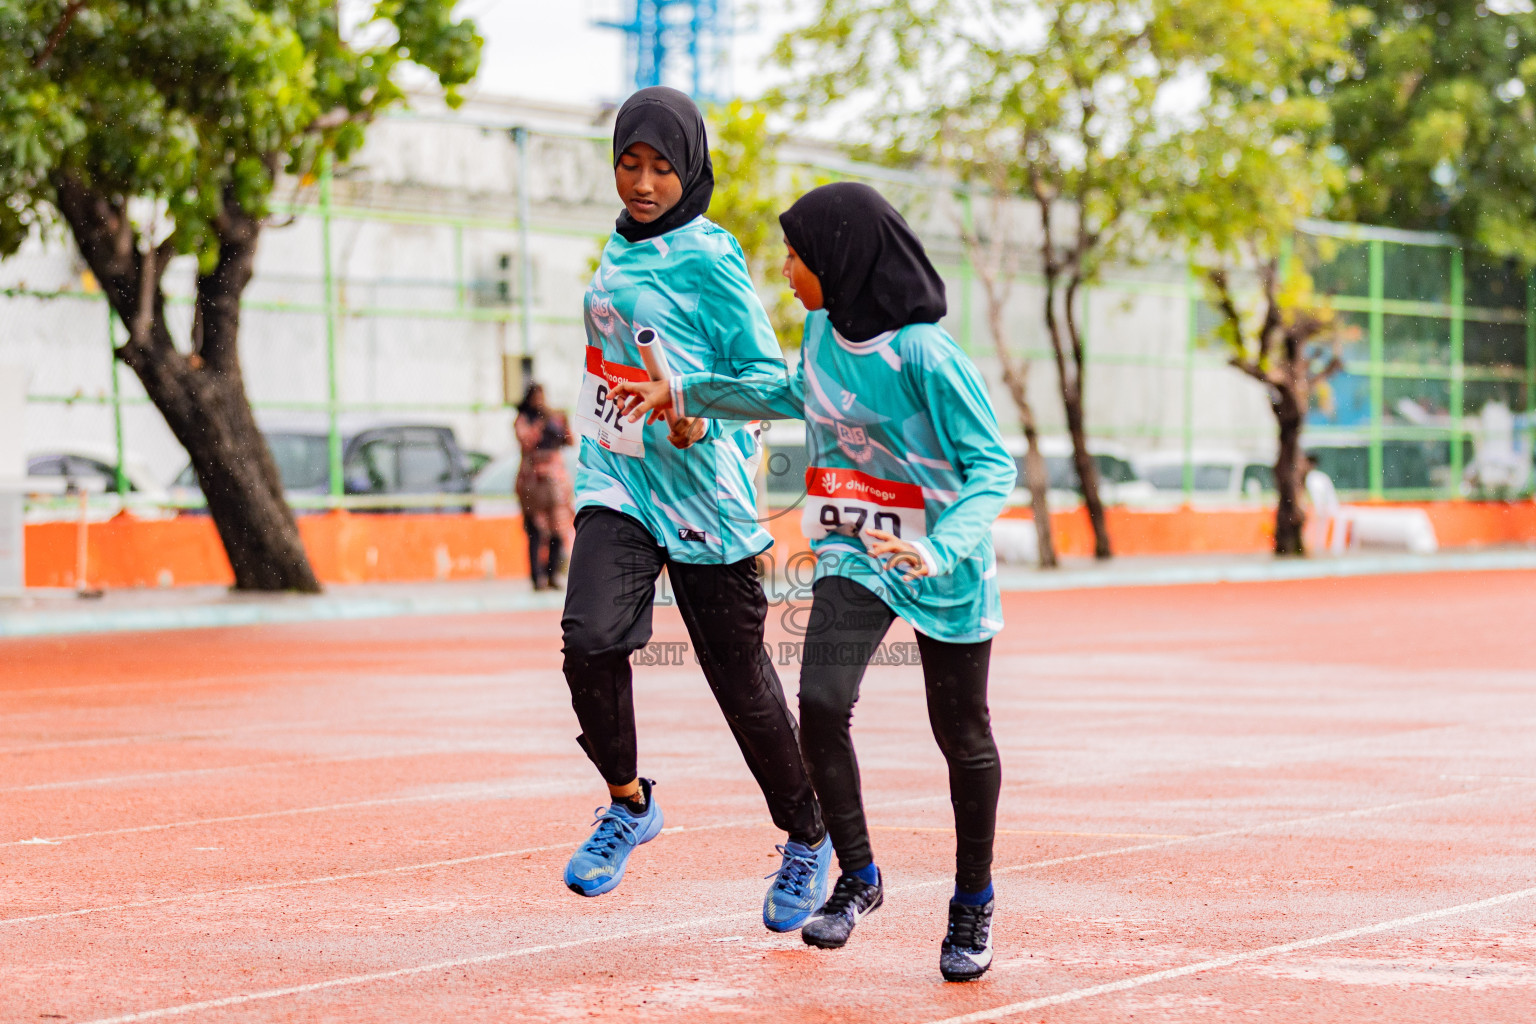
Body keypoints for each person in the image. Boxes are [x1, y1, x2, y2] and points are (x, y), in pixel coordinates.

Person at [613, 182, 1016, 981]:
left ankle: (972, 900)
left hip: (942, 564)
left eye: (797, 258)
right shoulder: (823, 332)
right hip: (856, 551)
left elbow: (991, 467)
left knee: (961, 736)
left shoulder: (925, 355)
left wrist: (942, 548)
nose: (788, 272)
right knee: (822, 704)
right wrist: (684, 392)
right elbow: (790, 393)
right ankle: (858, 879)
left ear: (842, 261)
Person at [558, 86, 830, 934]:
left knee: (742, 687)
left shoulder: (711, 260)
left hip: (705, 498)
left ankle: (809, 834)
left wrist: (691, 400)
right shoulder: (614, 248)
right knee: (590, 641)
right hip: (620, 480)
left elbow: (773, 386)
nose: (642, 184)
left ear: (692, 169)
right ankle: (629, 804)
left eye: (662, 168)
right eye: (629, 164)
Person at [514, 382, 574, 590]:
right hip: (533, 482)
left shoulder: (553, 417)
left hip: (555, 481)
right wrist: (541, 423)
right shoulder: (525, 420)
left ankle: (553, 574)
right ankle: (536, 577)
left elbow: (569, 440)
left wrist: (560, 422)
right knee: (536, 530)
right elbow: (527, 441)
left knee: (558, 527)